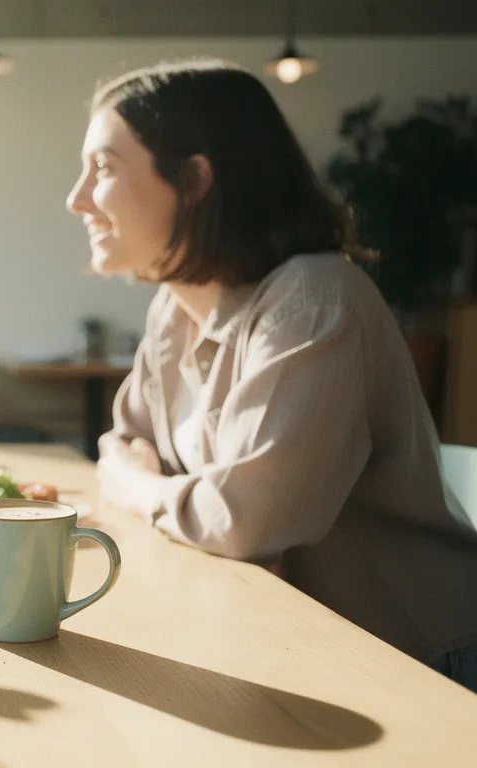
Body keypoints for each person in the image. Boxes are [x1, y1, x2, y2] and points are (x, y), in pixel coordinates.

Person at [68, 59, 477, 692]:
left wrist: (143, 489)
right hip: (296, 642)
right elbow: (124, 444)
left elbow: (244, 520)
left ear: (195, 179)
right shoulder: (175, 308)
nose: (77, 200)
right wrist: (140, 479)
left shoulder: (316, 301)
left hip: (419, 662)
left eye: (103, 168)